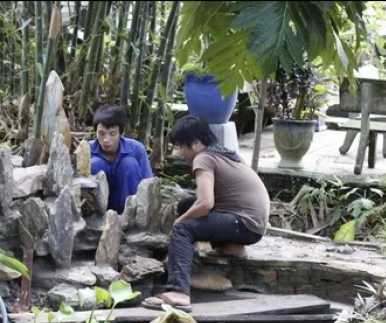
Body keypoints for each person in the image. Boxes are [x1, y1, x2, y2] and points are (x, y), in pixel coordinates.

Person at [142, 116, 270, 312]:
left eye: (181, 147)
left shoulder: (203, 158)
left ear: (196, 143)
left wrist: (178, 223)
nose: (181, 153)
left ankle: (178, 292)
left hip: (243, 224)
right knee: (186, 205)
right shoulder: (224, 153)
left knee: (182, 229)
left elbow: (205, 203)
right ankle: (234, 248)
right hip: (250, 223)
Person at [90, 105, 153, 214]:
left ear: (121, 133)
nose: (106, 139)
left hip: (128, 206)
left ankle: (129, 215)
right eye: (101, 133)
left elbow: (148, 184)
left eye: (112, 134)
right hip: (97, 207)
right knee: (95, 163)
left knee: (129, 164)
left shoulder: (137, 149)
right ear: (95, 132)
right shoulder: (86, 150)